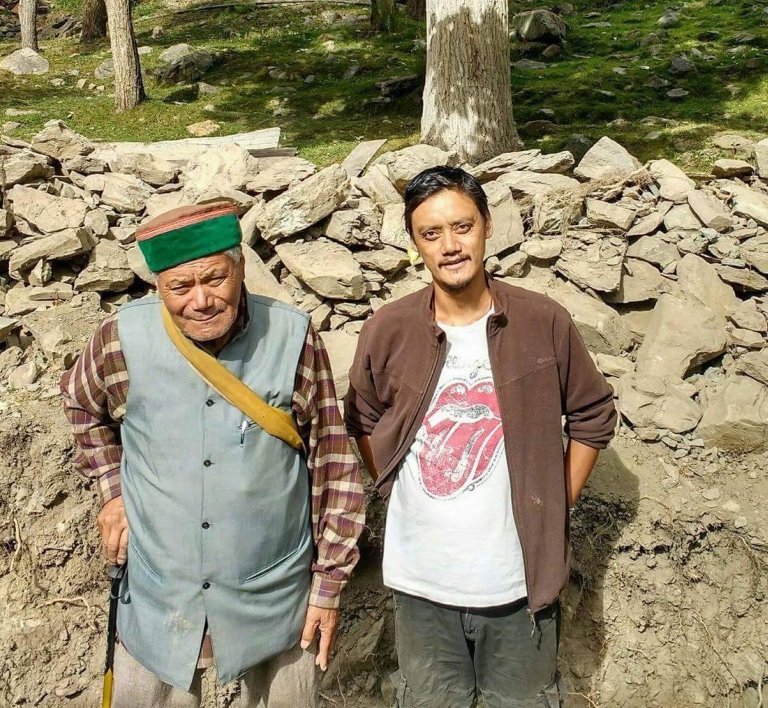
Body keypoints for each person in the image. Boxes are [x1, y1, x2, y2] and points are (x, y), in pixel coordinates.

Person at [62, 200, 365, 708]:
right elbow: (81, 405)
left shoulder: (292, 337)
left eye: (215, 279)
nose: (201, 301)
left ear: (240, 266)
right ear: (158, 286)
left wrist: (328, 584)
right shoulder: (120, 338)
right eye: (180, 287)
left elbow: (333, 463)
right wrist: (112, 491)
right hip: (160, 598)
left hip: (274, 597)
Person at [344, 166, 616, 708]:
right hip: (421, 586)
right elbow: (363, 417)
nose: (449, 246)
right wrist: (394, 487)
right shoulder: (389, 329)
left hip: (517, 586)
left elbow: (592, 414)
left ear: (488, 225)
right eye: (431, 233)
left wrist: (554, 504)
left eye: (462, 227)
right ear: (415, 242)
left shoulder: (542, 322)